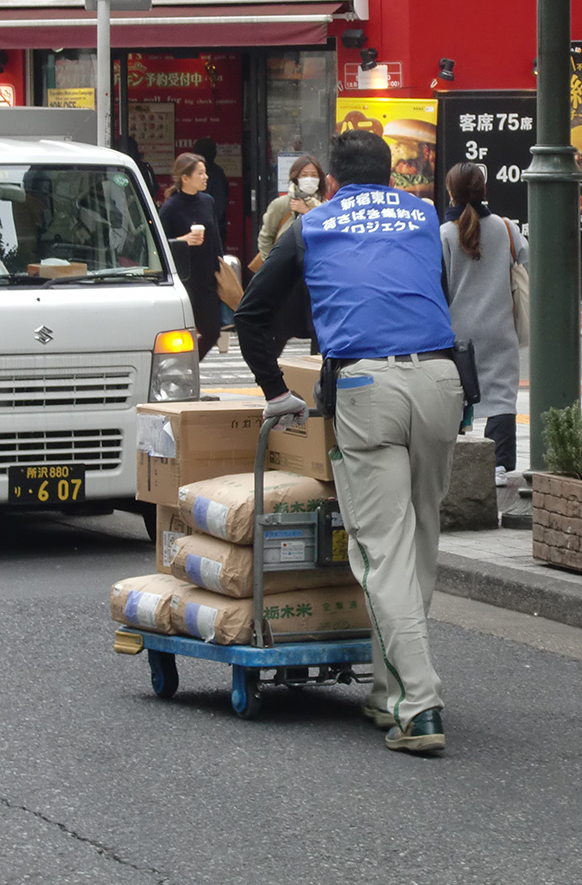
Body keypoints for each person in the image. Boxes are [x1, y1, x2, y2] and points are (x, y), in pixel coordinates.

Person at [233, 130, 464, 755]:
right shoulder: (423, 215)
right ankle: (388, 693)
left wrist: (275, 390)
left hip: (366, 384)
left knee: (383, 548)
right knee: (419, 535)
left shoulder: (310, 227)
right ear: (394, 176)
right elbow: (432, 291)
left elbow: (251, 314)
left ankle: (419, 705)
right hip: (442, 381)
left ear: (330, 180)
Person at [439, 162, 527, 483]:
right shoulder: (506, 228)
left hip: (457, 334)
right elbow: (527, 263)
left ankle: (456, 459)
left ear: (451, 193)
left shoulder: (444, 235)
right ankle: (500, 466)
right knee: (502, 396)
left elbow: (438, 286)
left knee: (456, 395)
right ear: (484, 190)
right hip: (499, 327)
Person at [256, 154, 325, 354]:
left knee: (317, 330)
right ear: (295, 178)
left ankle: (318, 377)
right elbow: (265, 237)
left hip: (314, 277)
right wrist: (272, 267)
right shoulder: (282, 204)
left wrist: (308, 211)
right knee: (279, 329)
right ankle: (268, 376)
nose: (310, 178)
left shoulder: (326, 206)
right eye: (305, 174)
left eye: (314, 174)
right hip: (287, 278)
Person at [158, 153, 222, 360]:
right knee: (183, 333)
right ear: (185, 178)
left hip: (207, 278)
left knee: (213, 331)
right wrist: (184, 239)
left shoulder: (207, 201)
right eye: (200, 173)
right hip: (184, 279)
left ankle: (186, 365)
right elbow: (159, 246)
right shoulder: (170, 208)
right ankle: (179, 373)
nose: (206, 177)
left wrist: (220, 267)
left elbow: (216, 238)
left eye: (205, 173)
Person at [193, 137, 229, 251]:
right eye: (200, 174)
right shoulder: (217, 173)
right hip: (209, 230)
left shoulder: (217, 173)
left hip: (212, 230)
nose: (205, 177)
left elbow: (220, 205)